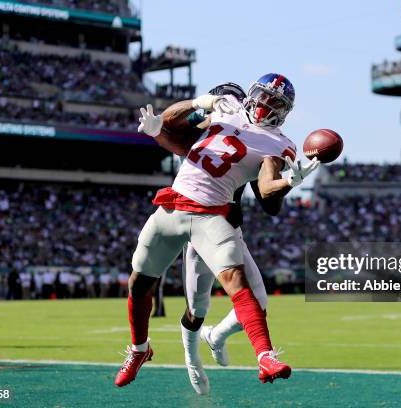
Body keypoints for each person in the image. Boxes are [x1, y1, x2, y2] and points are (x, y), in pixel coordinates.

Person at [114, 73, 319, 387]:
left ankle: (265, 356)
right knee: (139, 283)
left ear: (284, 110)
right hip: (172, 206)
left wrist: (288, 182)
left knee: (238, 284)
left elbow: (265, 189)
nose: (265, 105)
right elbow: (174, 126)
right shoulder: (226, 109)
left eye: (274, 102)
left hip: (213, 216)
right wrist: (196, 104)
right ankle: (140, 349)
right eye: (263, 96)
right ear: (252, 93)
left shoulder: (280, 143)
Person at [176, 82, 282, 394]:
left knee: (257, 304)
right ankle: (192, 359)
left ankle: (216, 336)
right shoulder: (208, 129)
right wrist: (201, 110)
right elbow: (182, 129)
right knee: (196, 309)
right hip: (197, 230)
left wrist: (284, 181)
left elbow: (268, 202)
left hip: (229, 230)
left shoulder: (255, 140)